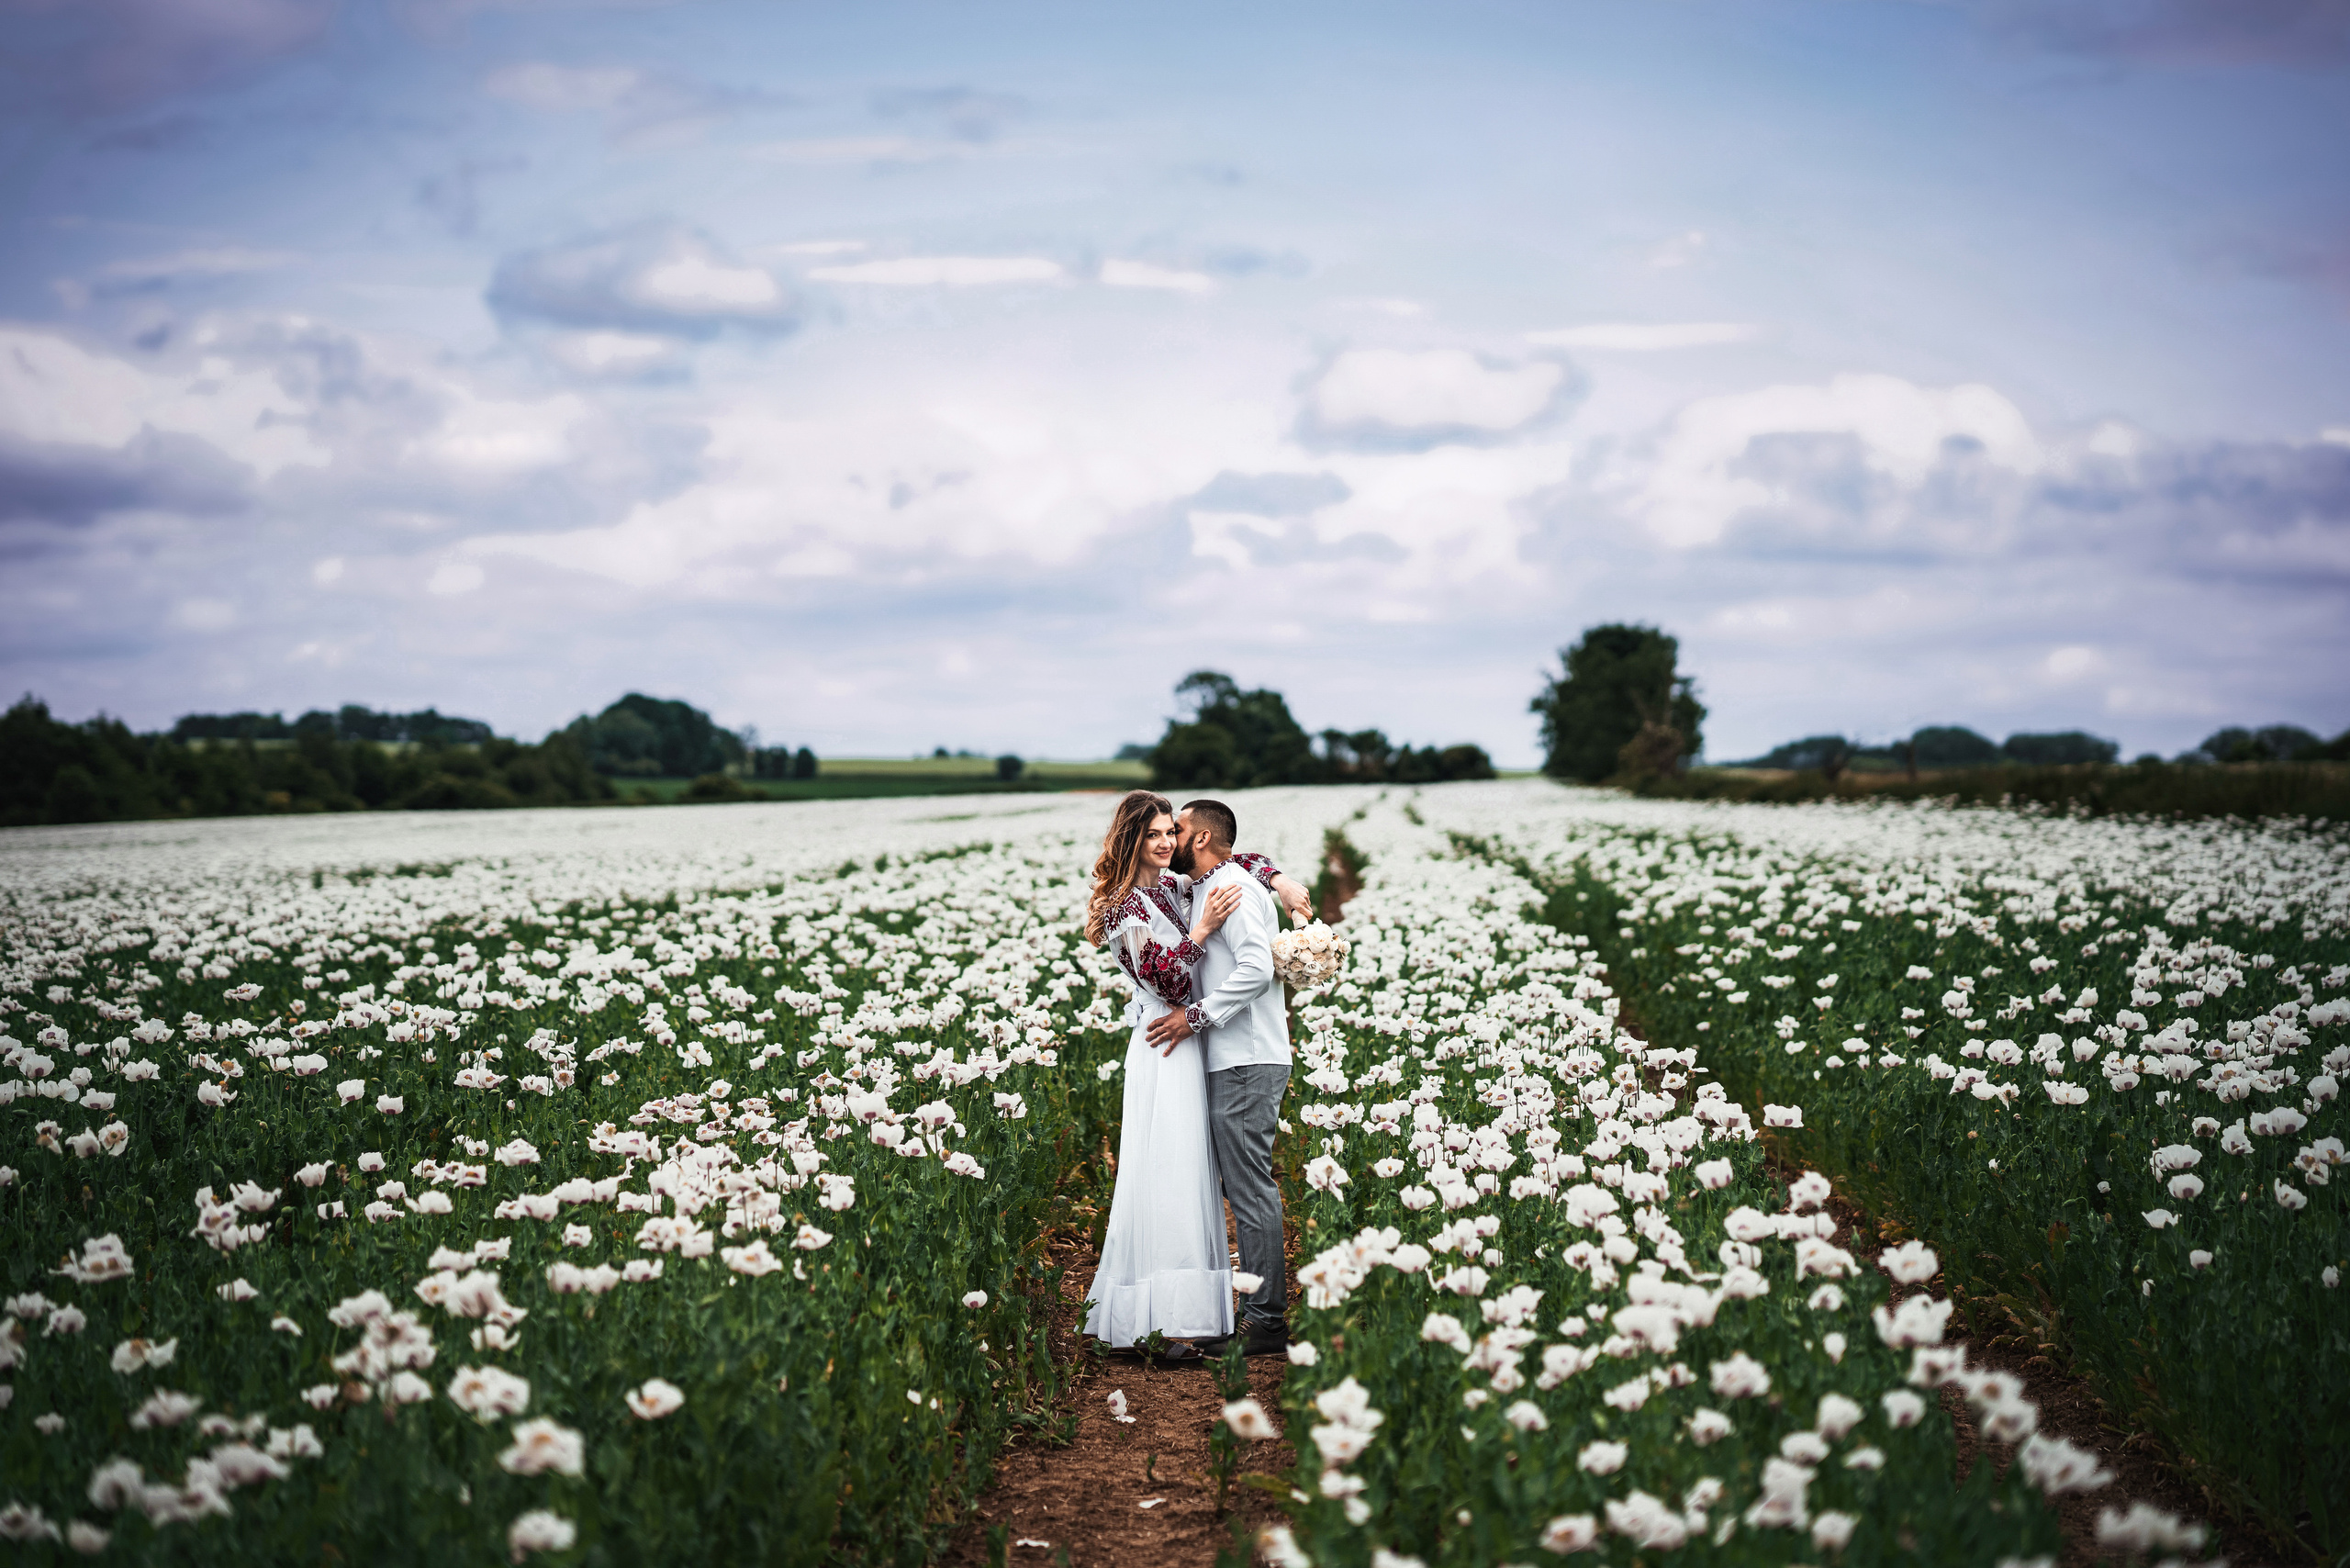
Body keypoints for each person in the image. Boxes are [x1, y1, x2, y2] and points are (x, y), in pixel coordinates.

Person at [1081, 790, 1309, 1361]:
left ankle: (1247, 1318)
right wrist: (1202, 931)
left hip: (1210, 1044)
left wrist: (1278, 879)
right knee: (1164, 1172)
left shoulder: (1185, 885)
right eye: (1155, 834)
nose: (1166, 842)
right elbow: (1163, 978)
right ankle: (1156, 1315)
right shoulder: (1130, 905)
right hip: (1171, 1040)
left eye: (1172, 832)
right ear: (1135, 840)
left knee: (1204, 1179)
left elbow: (1235, 857)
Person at [1145, 798, 1294, 1356]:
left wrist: (1195, 1016)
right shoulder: (1220, 881)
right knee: (1240, 1183)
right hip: (1237, 1055)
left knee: (1249, 1186)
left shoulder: (1226, 888)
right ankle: (1256, 1314)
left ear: (1201, 837)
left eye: (1177, 830)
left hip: (1246, 1056)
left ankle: (1266, 1325)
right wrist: (1279, 877)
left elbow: (1256, 968)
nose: (1169, 840)